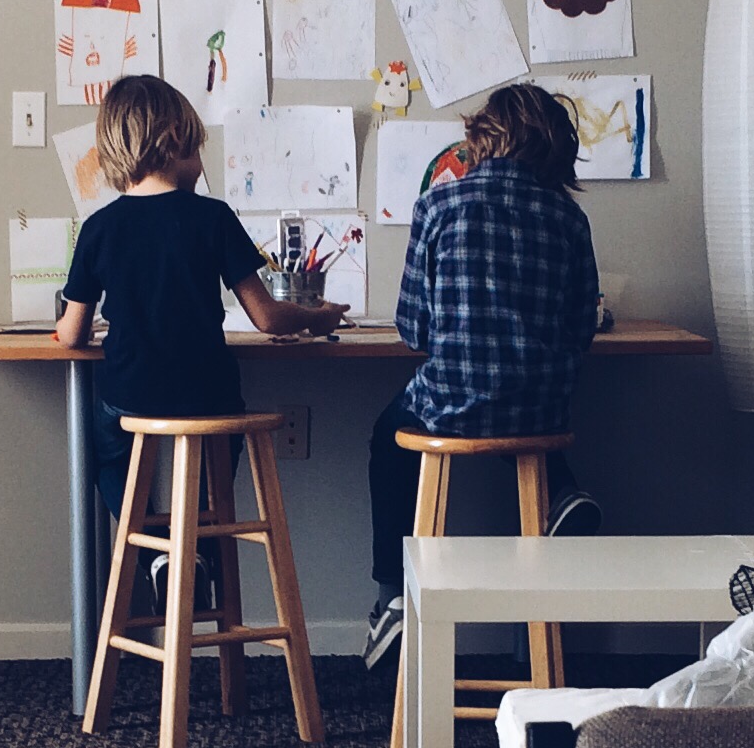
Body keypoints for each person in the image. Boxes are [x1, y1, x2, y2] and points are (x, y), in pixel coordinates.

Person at [54, 75, 344, 586]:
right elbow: (268, 317)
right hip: (210, 396)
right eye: (198, 150)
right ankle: (201, 546)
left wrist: (64, 323)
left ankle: (155, 552)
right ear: (173, 139)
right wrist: (318, 317)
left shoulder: (98, 228)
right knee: (219, 446)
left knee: (102, 455)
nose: (203, 165)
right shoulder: (213, 217)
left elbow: (73, 335)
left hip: (130, 396)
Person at [363, 82, 602, 670]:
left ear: (482, 137)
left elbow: (413, 329)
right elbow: (581, 329)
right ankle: (562, 494)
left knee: (388, 438)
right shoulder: (569, 218)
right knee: (519, 413)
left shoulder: (439, 205)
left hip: (454, 405)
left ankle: (392, 596)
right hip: (540, 408)